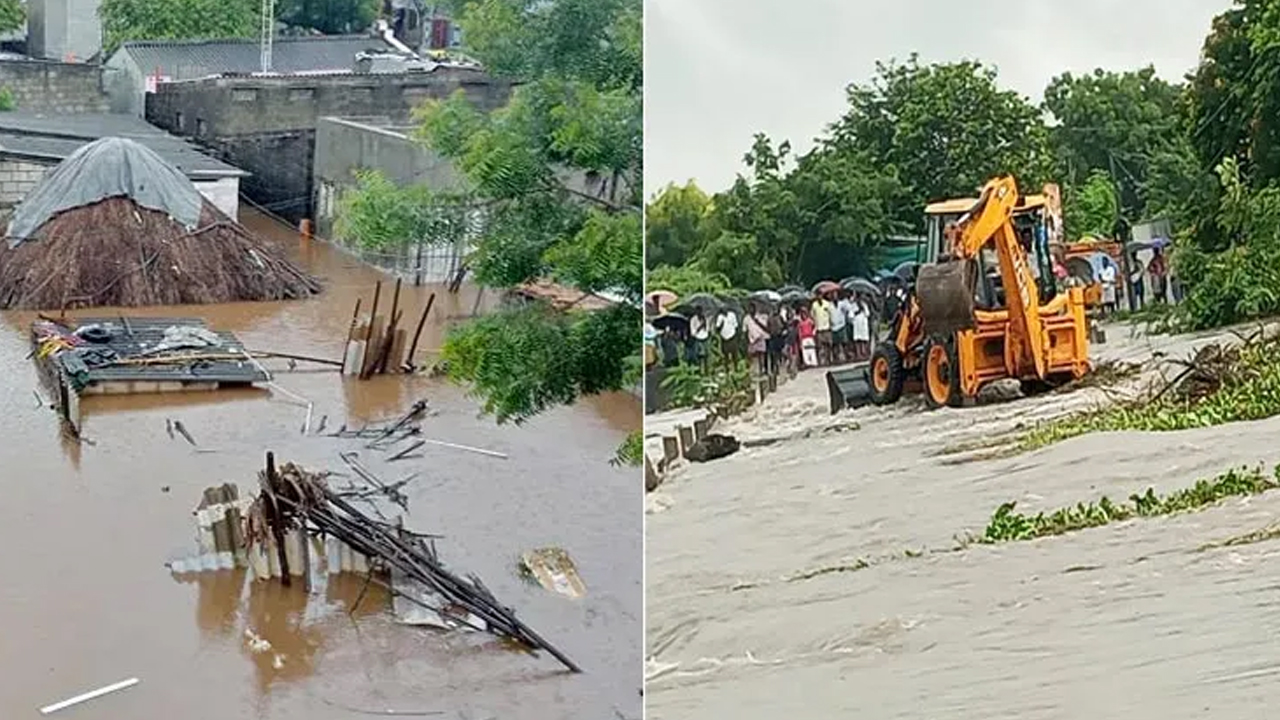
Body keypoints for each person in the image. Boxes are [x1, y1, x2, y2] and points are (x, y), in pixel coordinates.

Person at [744, 302, 771, 376]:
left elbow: (766, 328)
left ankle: (761, 370)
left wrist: (757, 321)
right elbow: (745, 330)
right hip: (751, 340)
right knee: (750, 356)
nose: (751, 310)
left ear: (755, 309)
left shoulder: (760, 317)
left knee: (761, 356)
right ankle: (748, 372)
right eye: (749, 308)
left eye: (752, 308)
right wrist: (747, 341)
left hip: (760, 338)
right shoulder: (746, 318)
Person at [811, 293, 833, 366]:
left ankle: (829, 359)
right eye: (818, 296)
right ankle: (822, 361)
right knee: (821, 346)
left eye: (820, 295)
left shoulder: (827, 304)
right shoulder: (814, 305)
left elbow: (830, 314)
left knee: (828, 345)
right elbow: (812, 315)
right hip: (819, 328)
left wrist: (830, 324)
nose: (819, 297)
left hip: (826, 327)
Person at [829, 290, 849, 364]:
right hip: (833, 327)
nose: (835, 297)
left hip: (841, 325)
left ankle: (846, 356)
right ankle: (836, 358)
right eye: (833, 296)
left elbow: (847, 310)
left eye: (836, 295)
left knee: (844, 342)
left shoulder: (842, 304)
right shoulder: (829, 305)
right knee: (835, 344)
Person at [851, 296, 871, 361]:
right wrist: (857, 312)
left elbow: (868, 314)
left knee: (864, 339)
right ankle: (858, 354)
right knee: (858, 340)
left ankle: (865, 353)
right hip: (857, 324)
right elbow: (850, 315)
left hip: (863, 324)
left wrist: (863, 309)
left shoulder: (864, 305)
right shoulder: (853, 305)